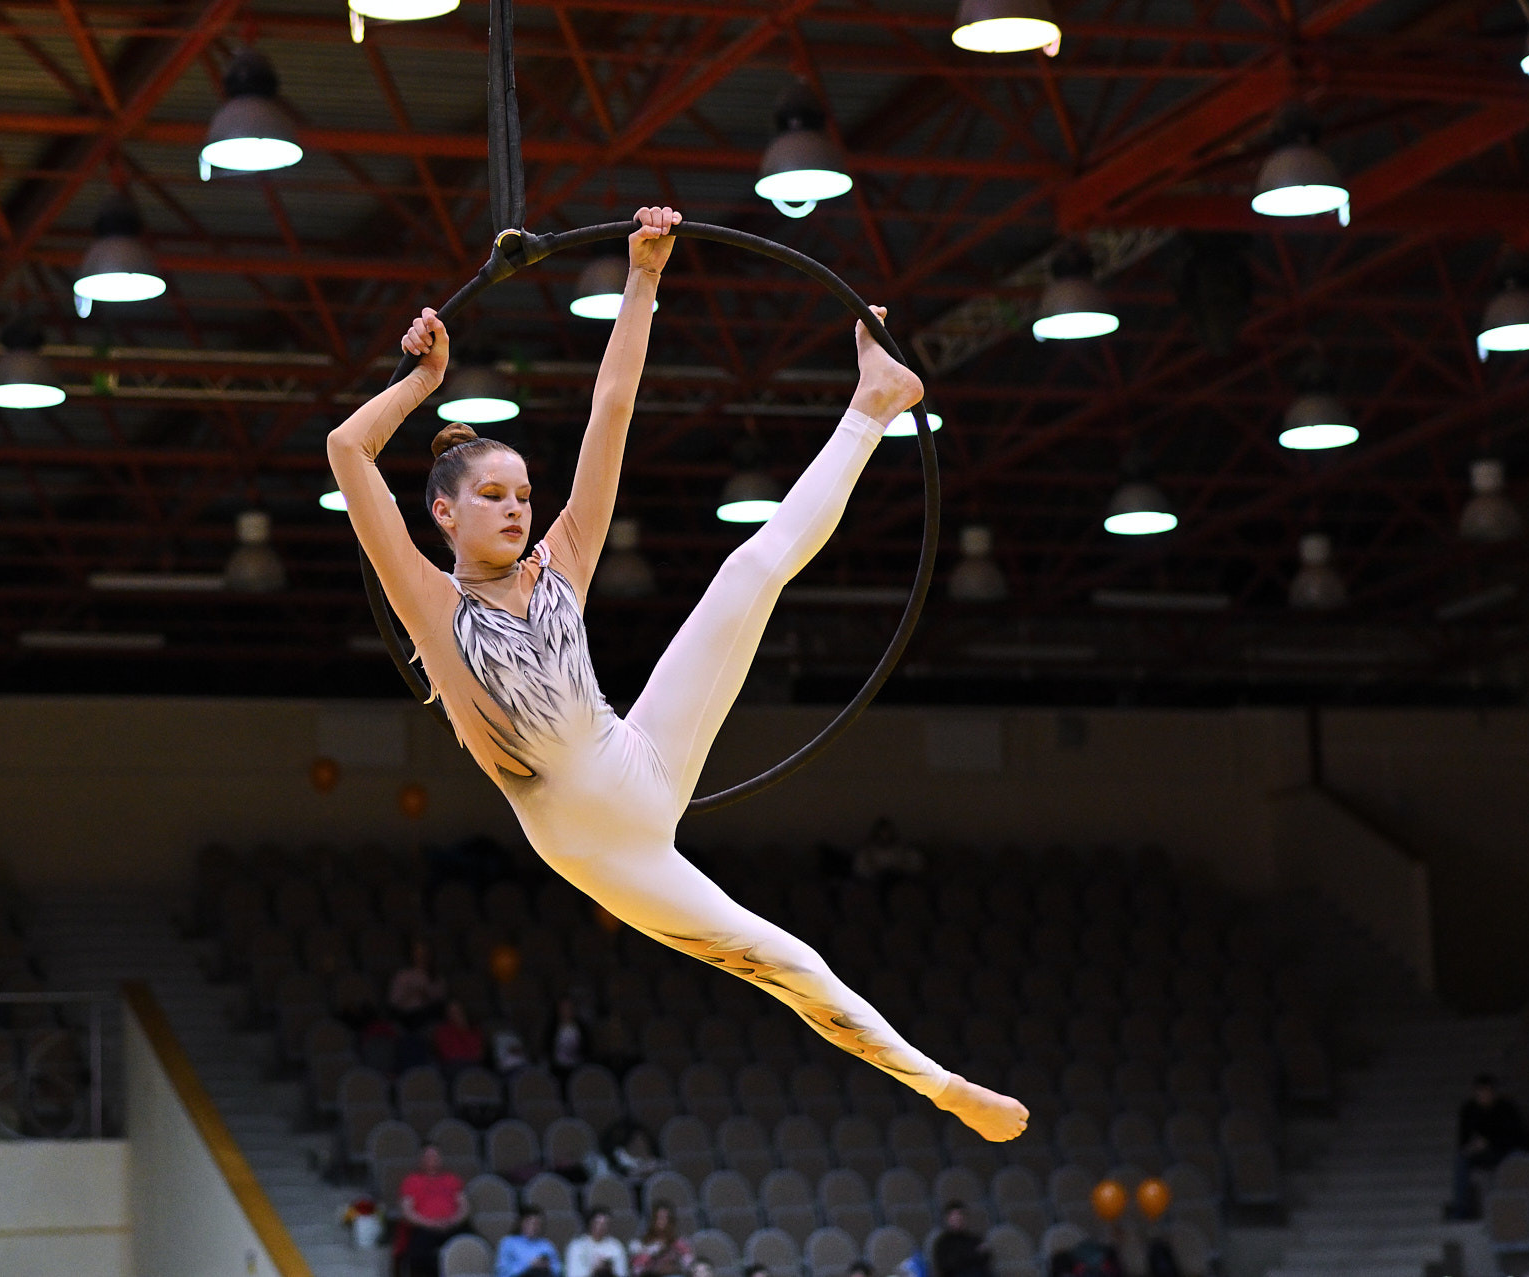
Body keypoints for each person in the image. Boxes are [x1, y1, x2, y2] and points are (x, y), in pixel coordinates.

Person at [328, 206, 1024, 1144]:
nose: (516, 510)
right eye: (491, 496)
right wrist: (423, 379)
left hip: (639, 756)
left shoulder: (561, 561)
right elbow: (345, 450)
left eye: (524, 494)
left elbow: (611, 409)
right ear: (443, 515)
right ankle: (938, 1083)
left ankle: (873, 405)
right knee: (775, 956)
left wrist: (644, 277)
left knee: (748, 571)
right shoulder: (429, 604)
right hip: (606, 849)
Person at [1451, 1073, 1529, 1219]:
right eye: (1480, 1092)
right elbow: (1463, 1141)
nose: (1483, 1096)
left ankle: (1518, 1208)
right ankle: (1461, 1210)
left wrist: (1490, 1143)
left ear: (1493, 1092)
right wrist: (1472, 1146)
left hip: (1504, 1153)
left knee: (1519, 1157)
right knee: (1461, 1159)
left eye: (1487, 1092)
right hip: (1481, 1155)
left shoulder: (1506, 1108)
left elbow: (1517, 1138)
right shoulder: (1468, 1110)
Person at [399, 1144, 468, 1277]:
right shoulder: (412, 1181)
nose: (433, 1159)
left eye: (435, 1156)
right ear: (421, 1159)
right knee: (419, 1255)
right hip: (424, 1228)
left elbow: (464, 1206)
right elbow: (407, 1211)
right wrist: (430, 1224)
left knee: (471, 1244)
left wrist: (453, 1221)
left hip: (452, 1226)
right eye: (429, 1156)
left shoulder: (452, 1179)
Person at [389, 939, 448, 1031]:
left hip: (428, 1014)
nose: (421, 957)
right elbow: (393, 1002)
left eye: (424, 953)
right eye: (418, 953)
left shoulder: (437, 978)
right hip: (406, 1015)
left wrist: (426, 996)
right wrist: (410, 994)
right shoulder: (403, 975)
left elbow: (441, 1000)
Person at [629, 1202, 693, 1277]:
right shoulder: (638, 1244)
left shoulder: (680, 1243)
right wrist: (650, 1254)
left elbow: (690, 1267)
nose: (662, 1222)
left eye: (666, 1218)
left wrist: (678, 1262)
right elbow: (636, 1271)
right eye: (659, 1218)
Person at [852, 818, 924, 883]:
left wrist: (901, 867)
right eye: (882, 833)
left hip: (901, 884)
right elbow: (859, 870)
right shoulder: (866, 852)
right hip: (874, 885)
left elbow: (917, 866)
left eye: (887, 832)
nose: (885, 836)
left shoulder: (904, 850)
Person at [497, 1208, 562, 1277]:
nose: (533, 1227)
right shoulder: (508, 1243)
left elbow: (558, 1269)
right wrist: (530, 1265)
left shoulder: (546, 1245)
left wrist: (548, 1266)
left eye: (536, 1224)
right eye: (529, 1223)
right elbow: (502, 1272)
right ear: (521, 1223)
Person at [566, 1208, 630, 1277]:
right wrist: (594, 1270)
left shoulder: (616, 1246)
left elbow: (622, 1273)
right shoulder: (577, 1246)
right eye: (598, 1223)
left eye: (605, 1224)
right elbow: (572, 1274)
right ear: (590, 1223)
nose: (602, 1227)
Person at [931, 1203, 988, 1277]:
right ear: (948, 1219)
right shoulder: (942, 1243)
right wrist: (973, 1254)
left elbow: (985, 1258)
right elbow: (947, 1265)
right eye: (954, 1217)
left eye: (960, 1215)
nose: (957, 1219)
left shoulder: (974, 1239)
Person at [433, 1000, 486, 1070]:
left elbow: (479, 1052)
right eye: (451, 1011)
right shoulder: (443, 1031)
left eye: (458, 1010)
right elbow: (449, 1055)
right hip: (456, 1067)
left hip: (476, 1065)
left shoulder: (474, 1029)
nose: (455, 1014)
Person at [552, 996, 588, 1072]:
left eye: (569, 1008)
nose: (566, 1011)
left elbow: (587, 1049)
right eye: (563, 1008)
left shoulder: (582, 1028)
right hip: (558, 1069)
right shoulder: (552, 1029)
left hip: (578, 1068)